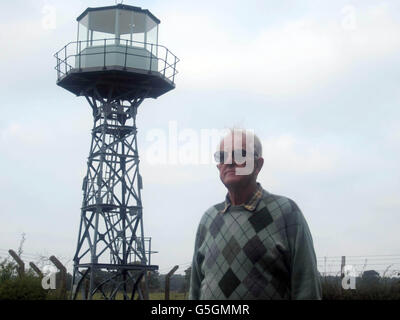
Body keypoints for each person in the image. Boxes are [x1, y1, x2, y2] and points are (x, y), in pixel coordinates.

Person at [189, 128, 322, 300]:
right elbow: (195, 289)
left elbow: (307, 287)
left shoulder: (286, 213)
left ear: (258, 165)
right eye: (222, 156)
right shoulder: (209, 219)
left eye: (240, 154)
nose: (229, 162)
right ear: (218, 166)